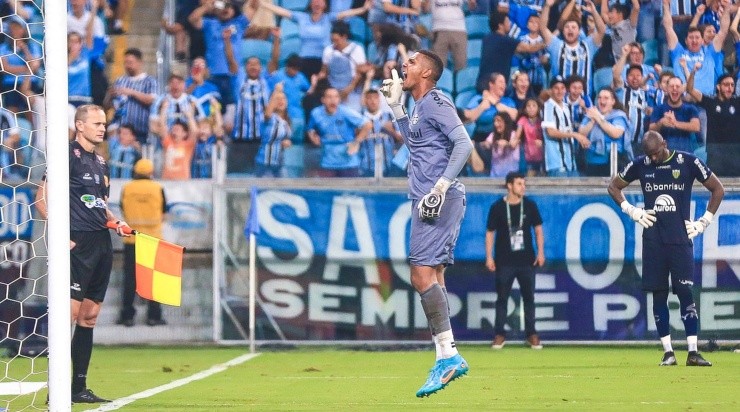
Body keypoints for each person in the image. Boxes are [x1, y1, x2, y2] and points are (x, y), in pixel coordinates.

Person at [380, 50, 471, 397]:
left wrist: (441, 185)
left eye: (413, 62)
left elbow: (463, 142)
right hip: (433, 197)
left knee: (420, 275)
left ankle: (449, 356)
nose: (405, 64)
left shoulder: (434, 101)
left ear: (429, 72)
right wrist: (397, 110)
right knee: (434, 276)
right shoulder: (419, 107)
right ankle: (445, 356)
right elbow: (417, 145)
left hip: (438, 196)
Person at [35, 104, 131, 403]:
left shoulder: (101, 162)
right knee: (69, 316)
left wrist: (116, 222)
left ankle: (78, 388)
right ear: (80, 126)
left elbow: (99, 205)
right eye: (97, 123)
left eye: (105, 123)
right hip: (78, 243)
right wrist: (61, 235)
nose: (103, 128)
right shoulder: (66, 155)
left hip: (102, 242)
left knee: (89, 317)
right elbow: (41, 199)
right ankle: (58, 390)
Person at [607, 131, 724, 367]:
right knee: (658, 295)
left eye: (656, 153)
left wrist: (704, 221)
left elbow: (718, 188)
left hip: (680, 240)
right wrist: (631, 210)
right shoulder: (640, 165)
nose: (653, 159)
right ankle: (668, 352)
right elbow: (613, 187)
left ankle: (693, 351)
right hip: (653, 241)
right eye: (649, 155)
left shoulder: (688, 161)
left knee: (685, 294)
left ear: (665, 144)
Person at [485, 172, 545, 350]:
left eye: (524, 183)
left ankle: (531, 334)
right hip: (504, 261)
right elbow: (490, 232)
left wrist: (541, 252)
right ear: (509, 186)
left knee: (529, 298)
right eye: (519, 184)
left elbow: (538, 230)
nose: (523, 187)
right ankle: (499, 334)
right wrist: (489, 256)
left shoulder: (530, 205)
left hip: (526, 260)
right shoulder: (497, 207)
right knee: (502, 298)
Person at [116, 159, 168, 327]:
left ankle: (127, 316)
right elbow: (164, 212)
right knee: (153, 279)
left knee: (130, 279)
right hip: (152, 239)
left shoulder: (127, 188)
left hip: (132, 239)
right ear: (151, 172)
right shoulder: (158, 188)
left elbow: (122, 209)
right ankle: (154, 316)